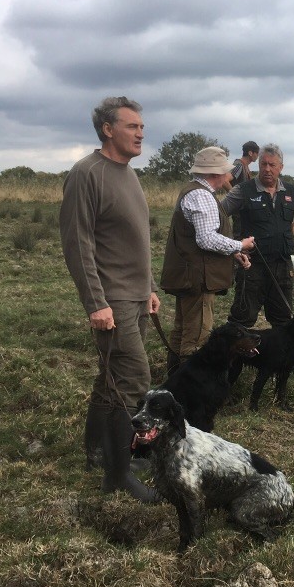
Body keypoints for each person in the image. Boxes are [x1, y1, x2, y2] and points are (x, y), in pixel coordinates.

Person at [59, 96, 160, 503]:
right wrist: (95, 303)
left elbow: (135, 239)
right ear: (107, 129)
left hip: (136, 297)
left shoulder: (129, 174)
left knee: (111, 380)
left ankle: (99, 453)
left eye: (141, 126)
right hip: (111, 300)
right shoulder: (87, 173)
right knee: (134, 380)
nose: (141, 133)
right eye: (132, 126)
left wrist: (149, 287)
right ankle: (119, 476)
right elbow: (77, 243)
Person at [160, 145, 255, 373]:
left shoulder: (192, 191)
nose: (228, 175)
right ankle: (187, 391)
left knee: (182, 329)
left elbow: (199, 238)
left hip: (188, 275)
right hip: (198, 278)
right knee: (197, 337)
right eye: (225, 171)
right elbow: (206, 239)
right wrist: (240, 244)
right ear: (214, 173)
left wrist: (233, 253)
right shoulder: (202, 196)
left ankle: (172, 381)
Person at [220, 143, 294, 327]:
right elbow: (219, 213)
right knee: (241, 321)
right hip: (252, 266)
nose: (267, 169)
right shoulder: (243, 190)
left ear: (281, 167)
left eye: (272, 165)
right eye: (263, 164)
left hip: (282, 266)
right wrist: (233, 245)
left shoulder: (290, 191)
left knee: (282, 322)